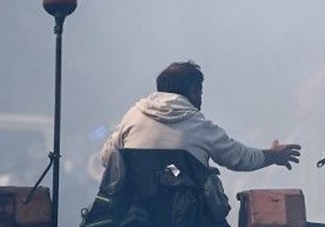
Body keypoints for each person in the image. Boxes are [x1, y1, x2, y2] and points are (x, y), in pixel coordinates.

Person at [97, 60, 300, 173]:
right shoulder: (199, 127)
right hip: (184, 226)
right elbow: (240, 159)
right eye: (200, 91)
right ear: (193, 91)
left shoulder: (132, 116)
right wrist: (274, 155)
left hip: (130, 219)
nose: (201, 98)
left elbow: (106, 158)